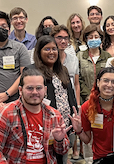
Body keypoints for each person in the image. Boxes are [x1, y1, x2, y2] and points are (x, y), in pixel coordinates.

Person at [0, 68, 70, 164]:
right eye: (30, 88)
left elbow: (62, 151)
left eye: (39, 88)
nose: (35, 92)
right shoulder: (4, 114)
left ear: (45, 90)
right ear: (20, 90)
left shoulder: (54, 115)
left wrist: (59, 140)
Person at [25, 35, 79, 164]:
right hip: (44, 125)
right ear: (39, 52)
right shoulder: (32, 71)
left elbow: (70, 94)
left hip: (65, 124)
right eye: (47, 49)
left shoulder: (63, 70)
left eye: (54, 49)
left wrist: (75, 114)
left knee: (63, 158)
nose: (51, 52)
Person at [71, 67, 114, 164]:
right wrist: (78, 130)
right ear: (98, 82)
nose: (109, 85)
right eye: (106, 81)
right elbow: (86, 140)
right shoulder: (87, 107)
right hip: (101, 158)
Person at [78, 24, 111, 102]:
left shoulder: (107, 56)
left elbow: (110, 77)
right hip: (86, 99)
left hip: (104, 97)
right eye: (90, 37)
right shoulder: (80, 56)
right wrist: (88, 94)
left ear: (101, 39)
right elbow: (78, 79)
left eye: (96, 37)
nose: (93, 39)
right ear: (86, 39)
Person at [51, 25, 81, 105]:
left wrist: (77, 104)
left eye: (66, 38)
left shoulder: (74, 59)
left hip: (71, 102)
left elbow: (76, 84)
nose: (63, 41)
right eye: (59, 38)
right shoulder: (49, 61)